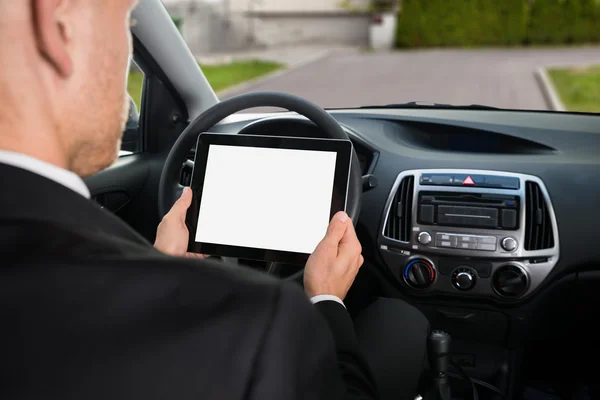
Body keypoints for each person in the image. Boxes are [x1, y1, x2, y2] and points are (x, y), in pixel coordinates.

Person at [0, 1, 378, 399]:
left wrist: (161, 270)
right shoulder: (257, 327)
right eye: (125, 22)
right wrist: (326, 298)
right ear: (59, 21)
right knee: (399, 324)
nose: (125, 54)